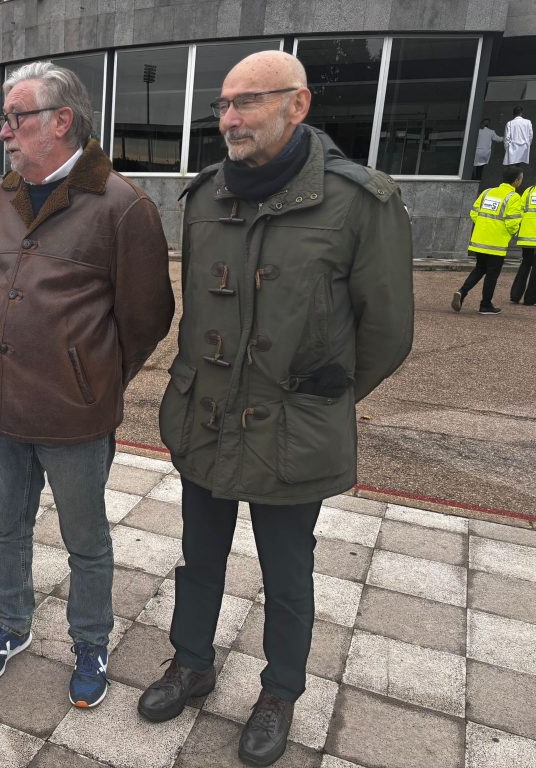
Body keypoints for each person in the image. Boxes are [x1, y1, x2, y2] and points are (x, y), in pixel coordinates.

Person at [139, 51, 413, 767]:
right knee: (199, 557)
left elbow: (387, 333)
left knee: (288, 576)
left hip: (291, 434)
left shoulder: (359, 201)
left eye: (248, 102)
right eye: (224, 105)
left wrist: (317, 398)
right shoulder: (205, 197)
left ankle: (280, 693)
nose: (230, 118)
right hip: (205, 419)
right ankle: (190, 663)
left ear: (298, 104)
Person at [0, 61, 174, 709]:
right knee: (7, 528)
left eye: (16, 118)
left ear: (61, 121)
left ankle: (90, 640)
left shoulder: (122, 205)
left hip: (74, 414)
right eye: (5, 119)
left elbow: (148, 317)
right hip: (2, 407)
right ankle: (12, 623)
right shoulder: (4, 197)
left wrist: (93, 377)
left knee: (86, 540)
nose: (4, 132)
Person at [453, 166, 524, 315]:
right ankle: (485, 305)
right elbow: (512, 222)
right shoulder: (514, 197)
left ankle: (462, 292)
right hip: (496, 243)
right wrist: (511, 233)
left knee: (480, 268)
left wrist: (483, 226)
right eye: (521, 178)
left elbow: (474, 213)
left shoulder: (487, 192)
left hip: (479, 240)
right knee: (492, 274)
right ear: (516, 181)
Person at [510, 178, 536, 305]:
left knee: (525, 263)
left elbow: (520, 211)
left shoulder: (529, 191)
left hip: (526, 236)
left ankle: (515, 295)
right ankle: (530, 299)